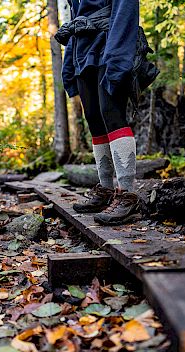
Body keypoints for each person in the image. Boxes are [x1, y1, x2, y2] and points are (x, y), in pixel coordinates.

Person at [59, 0, 141, 226]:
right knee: (93, 118)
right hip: (82, 51)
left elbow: (125, 9)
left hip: (109, 44)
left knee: (111, 113)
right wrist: (69, 63)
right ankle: (105, 189)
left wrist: (118, 57)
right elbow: (76, 18)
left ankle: (128, 195)